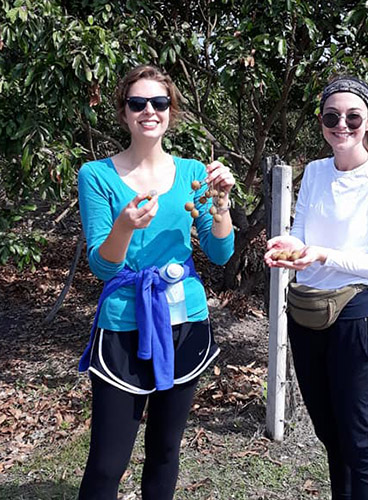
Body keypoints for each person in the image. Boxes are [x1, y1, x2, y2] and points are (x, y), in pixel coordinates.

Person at [76, 64, 235, 500]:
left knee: (165, 450)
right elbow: (103, 267)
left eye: (159, 103)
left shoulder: (192, 174)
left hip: (186, 321)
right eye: (138, 103)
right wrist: (124, 226)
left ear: (171, 111)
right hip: (123, 323)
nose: (150, 110)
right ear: (124, 112)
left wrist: (220, 206)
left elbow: (220, 253)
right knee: (108, 462)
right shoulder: (96, 175)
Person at [264, 76, 368, 500]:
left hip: (354, 319)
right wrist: (288, 249)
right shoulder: (315, 172)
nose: (341, 124)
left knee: (361, 444)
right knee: (330, 436)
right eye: (332, 116)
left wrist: (320, 254)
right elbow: (302, 233)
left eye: (352, 116)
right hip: (306, 316)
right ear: (322, 121)